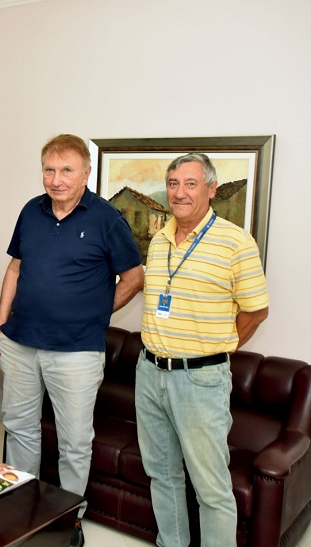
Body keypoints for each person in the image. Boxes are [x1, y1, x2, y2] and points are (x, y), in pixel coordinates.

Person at [0, 134, 144, 547]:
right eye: (49, 170)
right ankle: (22, 509)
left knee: (74, 442)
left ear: (86, 173)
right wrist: (0, 324)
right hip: (21, 343)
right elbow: (15, 269)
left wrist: (95, 313)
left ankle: (68, 519)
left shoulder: (107, 219)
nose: (56, 180)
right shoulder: (31, 211)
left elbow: (134, 277)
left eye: (67, 171)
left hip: (76, 351)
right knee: (20, 428)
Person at [136, 153, 269, 547]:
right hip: (149, 372)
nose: (180, 193)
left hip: (200, 379)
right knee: (162, 474)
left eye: (191, 184)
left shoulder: (236, 242)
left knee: (211, 488)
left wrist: (214, 350)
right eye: (173, 183)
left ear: (211, 189)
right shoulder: (159, 240)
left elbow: (256, 311)